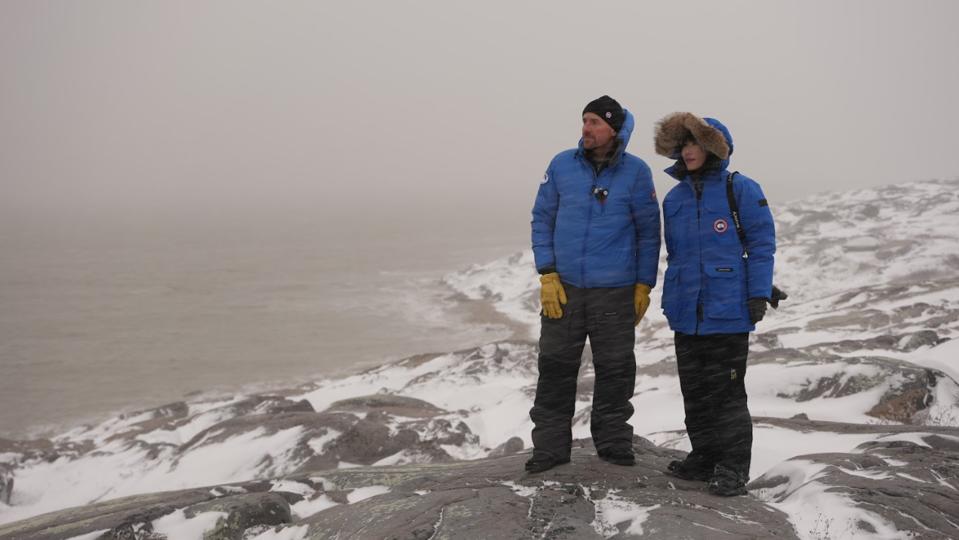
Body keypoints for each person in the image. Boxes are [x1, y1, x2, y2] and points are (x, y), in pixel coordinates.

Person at [526, 96, 661, 473]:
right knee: (554, 370)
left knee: (616, 371)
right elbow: (542, 218)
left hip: (614, 292)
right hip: (564, 290)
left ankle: (614, 444)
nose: (585, 129)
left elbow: (649, 233)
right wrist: (547, 273)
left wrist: (643, 285)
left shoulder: (636, 173)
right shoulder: (561, 166)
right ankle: (550, 451)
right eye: (584, 121)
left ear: (613, 129)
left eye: (594, 123)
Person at [653, 112, 776, 496]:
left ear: (712, 148)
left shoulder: (739, 189)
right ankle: (704, 456)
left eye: (695, 144)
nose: (688, 151)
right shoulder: (674, 198)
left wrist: (758, 292)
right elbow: (676, 256)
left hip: (728, 311)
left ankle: (733, 467)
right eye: (683, 144)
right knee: (694, 390)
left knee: (726, 394)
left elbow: (761, 245)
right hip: (686, 312)